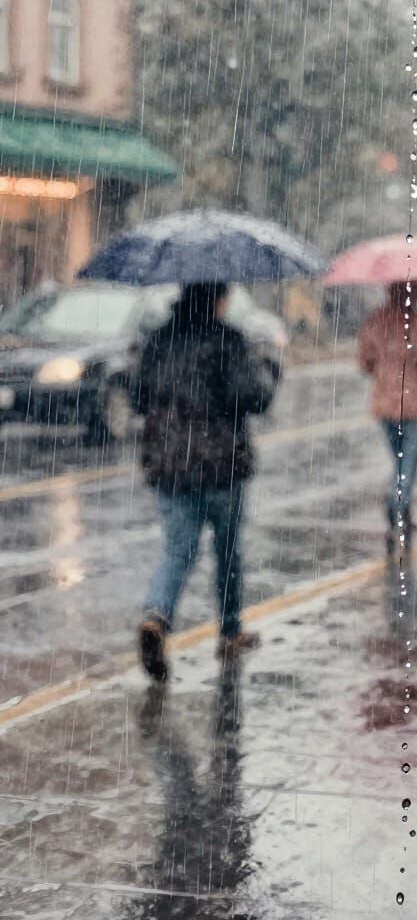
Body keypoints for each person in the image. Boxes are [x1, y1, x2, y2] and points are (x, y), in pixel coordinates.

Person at [134, 281, 278, 681]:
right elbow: (254, 396)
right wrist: (269, 368)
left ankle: (157, 614)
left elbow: (136, 396)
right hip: (221, 463)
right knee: (228, 549)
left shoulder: (159, 339)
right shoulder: (227, 340)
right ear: (218, 298)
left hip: (168, 462)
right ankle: (229, 631)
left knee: (178, 550)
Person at [358, 281, 417, 555]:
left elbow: (364, 362)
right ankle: (396, 505)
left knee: (399, 463)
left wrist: (386, 365)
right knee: (408, 465)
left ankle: (402, 511)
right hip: (416, 404)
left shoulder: (375, 323)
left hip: (386, 404)